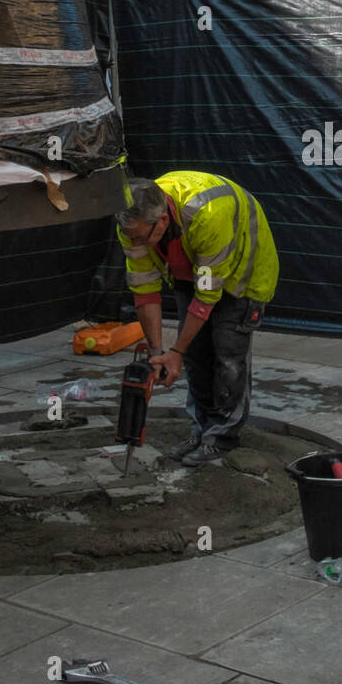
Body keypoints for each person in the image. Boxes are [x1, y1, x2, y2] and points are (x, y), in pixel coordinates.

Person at [117, 171, 279, 466]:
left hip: (242, 276)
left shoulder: (208, 214)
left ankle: (222, 437)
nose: (136, 244)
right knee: (194, 355)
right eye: (132, 238)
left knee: (228, 356)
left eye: (142, 238)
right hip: (190, 269)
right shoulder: (131, 225)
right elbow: (144, 292)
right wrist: (158, 355)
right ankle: (201, 429)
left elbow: (206, 298)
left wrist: (175, 351)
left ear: (162, 221)